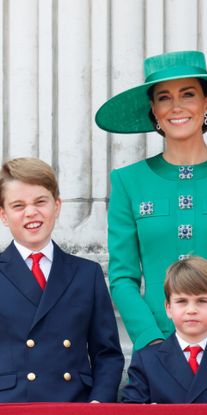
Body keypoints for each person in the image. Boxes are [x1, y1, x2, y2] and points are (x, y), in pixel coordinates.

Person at [95, 50, 207, 351]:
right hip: (154, 352)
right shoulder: (128, 181)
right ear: (153, 109)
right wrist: (150, 340)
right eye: (164, 97)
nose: (176, 107)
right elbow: (123, 277)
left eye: (187, 94)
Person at [0, 157, 124, 402]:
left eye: (40, 202)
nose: (31, 212)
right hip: (10, 404)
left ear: (57, 205)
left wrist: (98, 403)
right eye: (18, 205)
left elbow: (107, 354)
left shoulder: (87, 274)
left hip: (73, 402)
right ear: (3, 215)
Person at [122, 256, 207, 404]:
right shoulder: (146, 360)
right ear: (168, 308)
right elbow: (131, 406)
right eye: (182, 301)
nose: (191, 310)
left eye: (201, 301)